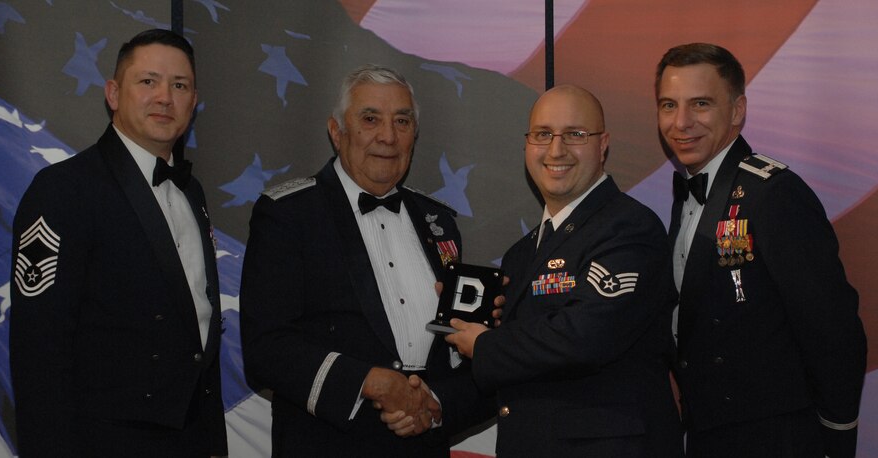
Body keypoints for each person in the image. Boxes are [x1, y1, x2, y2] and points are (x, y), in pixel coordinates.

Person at [239, 64, 489, 457]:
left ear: (414, 135)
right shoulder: (289, 215)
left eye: (402, 121)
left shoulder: (439, 222)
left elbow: (463, 357)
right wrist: (368, 381)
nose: (387, 136)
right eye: (370, 118)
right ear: (336, 132)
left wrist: (434, 404)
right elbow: (266, 349)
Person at [9, 29, 227, 456]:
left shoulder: (192, 192)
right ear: (113, 93)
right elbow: (39, 353)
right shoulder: (63, 190)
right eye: (148, 81)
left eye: (179, 85)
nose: (165, 97)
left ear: (193, 101)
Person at [446, 85, 683, 457]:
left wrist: (485, 344)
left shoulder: (629, 228)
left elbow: (586, 337)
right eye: (543, 134)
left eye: (575, 134)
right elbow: (516, 372)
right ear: (527, 145)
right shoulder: (520, 255)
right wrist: (429, 405)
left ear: (603, 144)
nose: (556, 150)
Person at [656, 42, 866, 458]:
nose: (681, 122)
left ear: (736, 111)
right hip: (710, 434)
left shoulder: (774, 195)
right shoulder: (688, 193)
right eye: (667, 105)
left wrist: (835, 437)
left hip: (777, 439)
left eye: (700, 104)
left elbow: (833, 330)